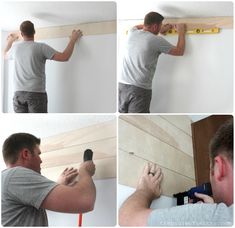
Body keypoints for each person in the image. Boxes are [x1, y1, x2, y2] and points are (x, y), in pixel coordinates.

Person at [119, 119, 233, 226]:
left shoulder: (219, 218)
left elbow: (126, 220)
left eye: (210, 171)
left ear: (219, 168)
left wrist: (144, 191)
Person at [1, 133, 96, 226]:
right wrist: (85, 171)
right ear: (26, 154)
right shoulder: (16, 176)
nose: (41, 160)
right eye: (38, 154)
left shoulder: (7, 179)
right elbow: (85, 201)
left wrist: (58, 186)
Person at [4, 20, 82, 113]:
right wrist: (73, 39)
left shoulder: (15, 48)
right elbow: (64, 57)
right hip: (36, 94)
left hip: (18, 94)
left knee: (22, 126)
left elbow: (4, 55)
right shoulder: (41, 47)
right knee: (39, 125)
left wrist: (10, 41)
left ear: (21, 33)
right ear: (34, 32)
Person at [119, 12, 186, 113]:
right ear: (155, 26)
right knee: (139, 122)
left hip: (121, 86)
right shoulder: (155, 40)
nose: (160, 28)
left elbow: (138, 26)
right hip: (139, 90)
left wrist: (159, 29)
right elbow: (180, 51)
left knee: (123, 119)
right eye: (160, 26)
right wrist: (181, 32)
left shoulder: (132, 32)